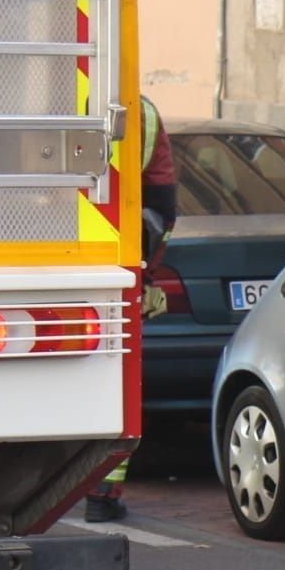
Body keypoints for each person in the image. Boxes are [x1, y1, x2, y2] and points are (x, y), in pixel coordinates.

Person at [87, 95, 180, 524]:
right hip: (118, 261)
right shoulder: (137, 110)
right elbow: (158, 199)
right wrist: (147, 273)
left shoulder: (56, 92)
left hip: (66, 254)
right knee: (114, 378)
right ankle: (101, 492)